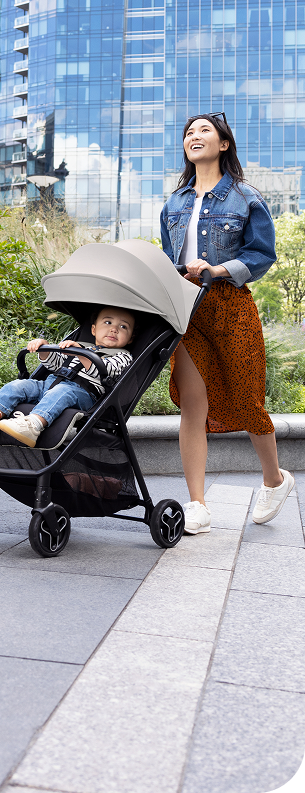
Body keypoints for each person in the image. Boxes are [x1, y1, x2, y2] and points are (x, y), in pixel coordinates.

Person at [160, 112, 294, 535]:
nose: (193, 136)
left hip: (230, 306)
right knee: (193, 406)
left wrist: (217, 269)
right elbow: (167, 258)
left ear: (223, 145)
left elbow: (261, 255)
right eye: (188, 133)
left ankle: (274, 479)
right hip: (186, 310)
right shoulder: (174, 203)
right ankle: (197, 503)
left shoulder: (245, 198)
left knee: (247, 396)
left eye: (204, 131)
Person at [0, 306, 135, 448]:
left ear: (130, 338)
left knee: (63, 391)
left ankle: (32, 425)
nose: (114, 329)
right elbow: (56, 364)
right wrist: (44, 348)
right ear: (93, 329)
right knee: (19, 385)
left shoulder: (123, 356)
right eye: (108, 322)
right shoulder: (81, 346)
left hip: (83, 394)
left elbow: (106, 371)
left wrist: (81, 353)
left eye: (123, 327)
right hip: (50, 383)